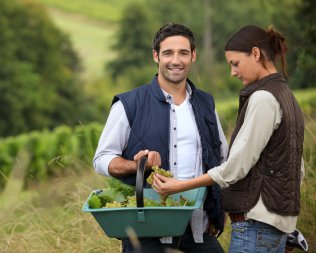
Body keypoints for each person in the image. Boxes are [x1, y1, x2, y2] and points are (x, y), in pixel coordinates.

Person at [152, 25, 305, 253]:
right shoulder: (287, 96)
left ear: (255, 54)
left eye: (235, 63)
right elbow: (297, 171)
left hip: (256, 226)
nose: (233, 72)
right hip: (276, 224)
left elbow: (235, 169)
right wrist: (282, 227)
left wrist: (180, 186)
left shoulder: (263, 98)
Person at [93, 23, 228, 253]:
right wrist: (136, 165)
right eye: (168, 53)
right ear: (156, 56)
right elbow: (102, 159)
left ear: (193, 56)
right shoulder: (129, 104)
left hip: (198, 231)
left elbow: (223, 161)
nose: (176, 60)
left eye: (183, 52)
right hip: (147, 235)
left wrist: (220, 212)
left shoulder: (207, 104)